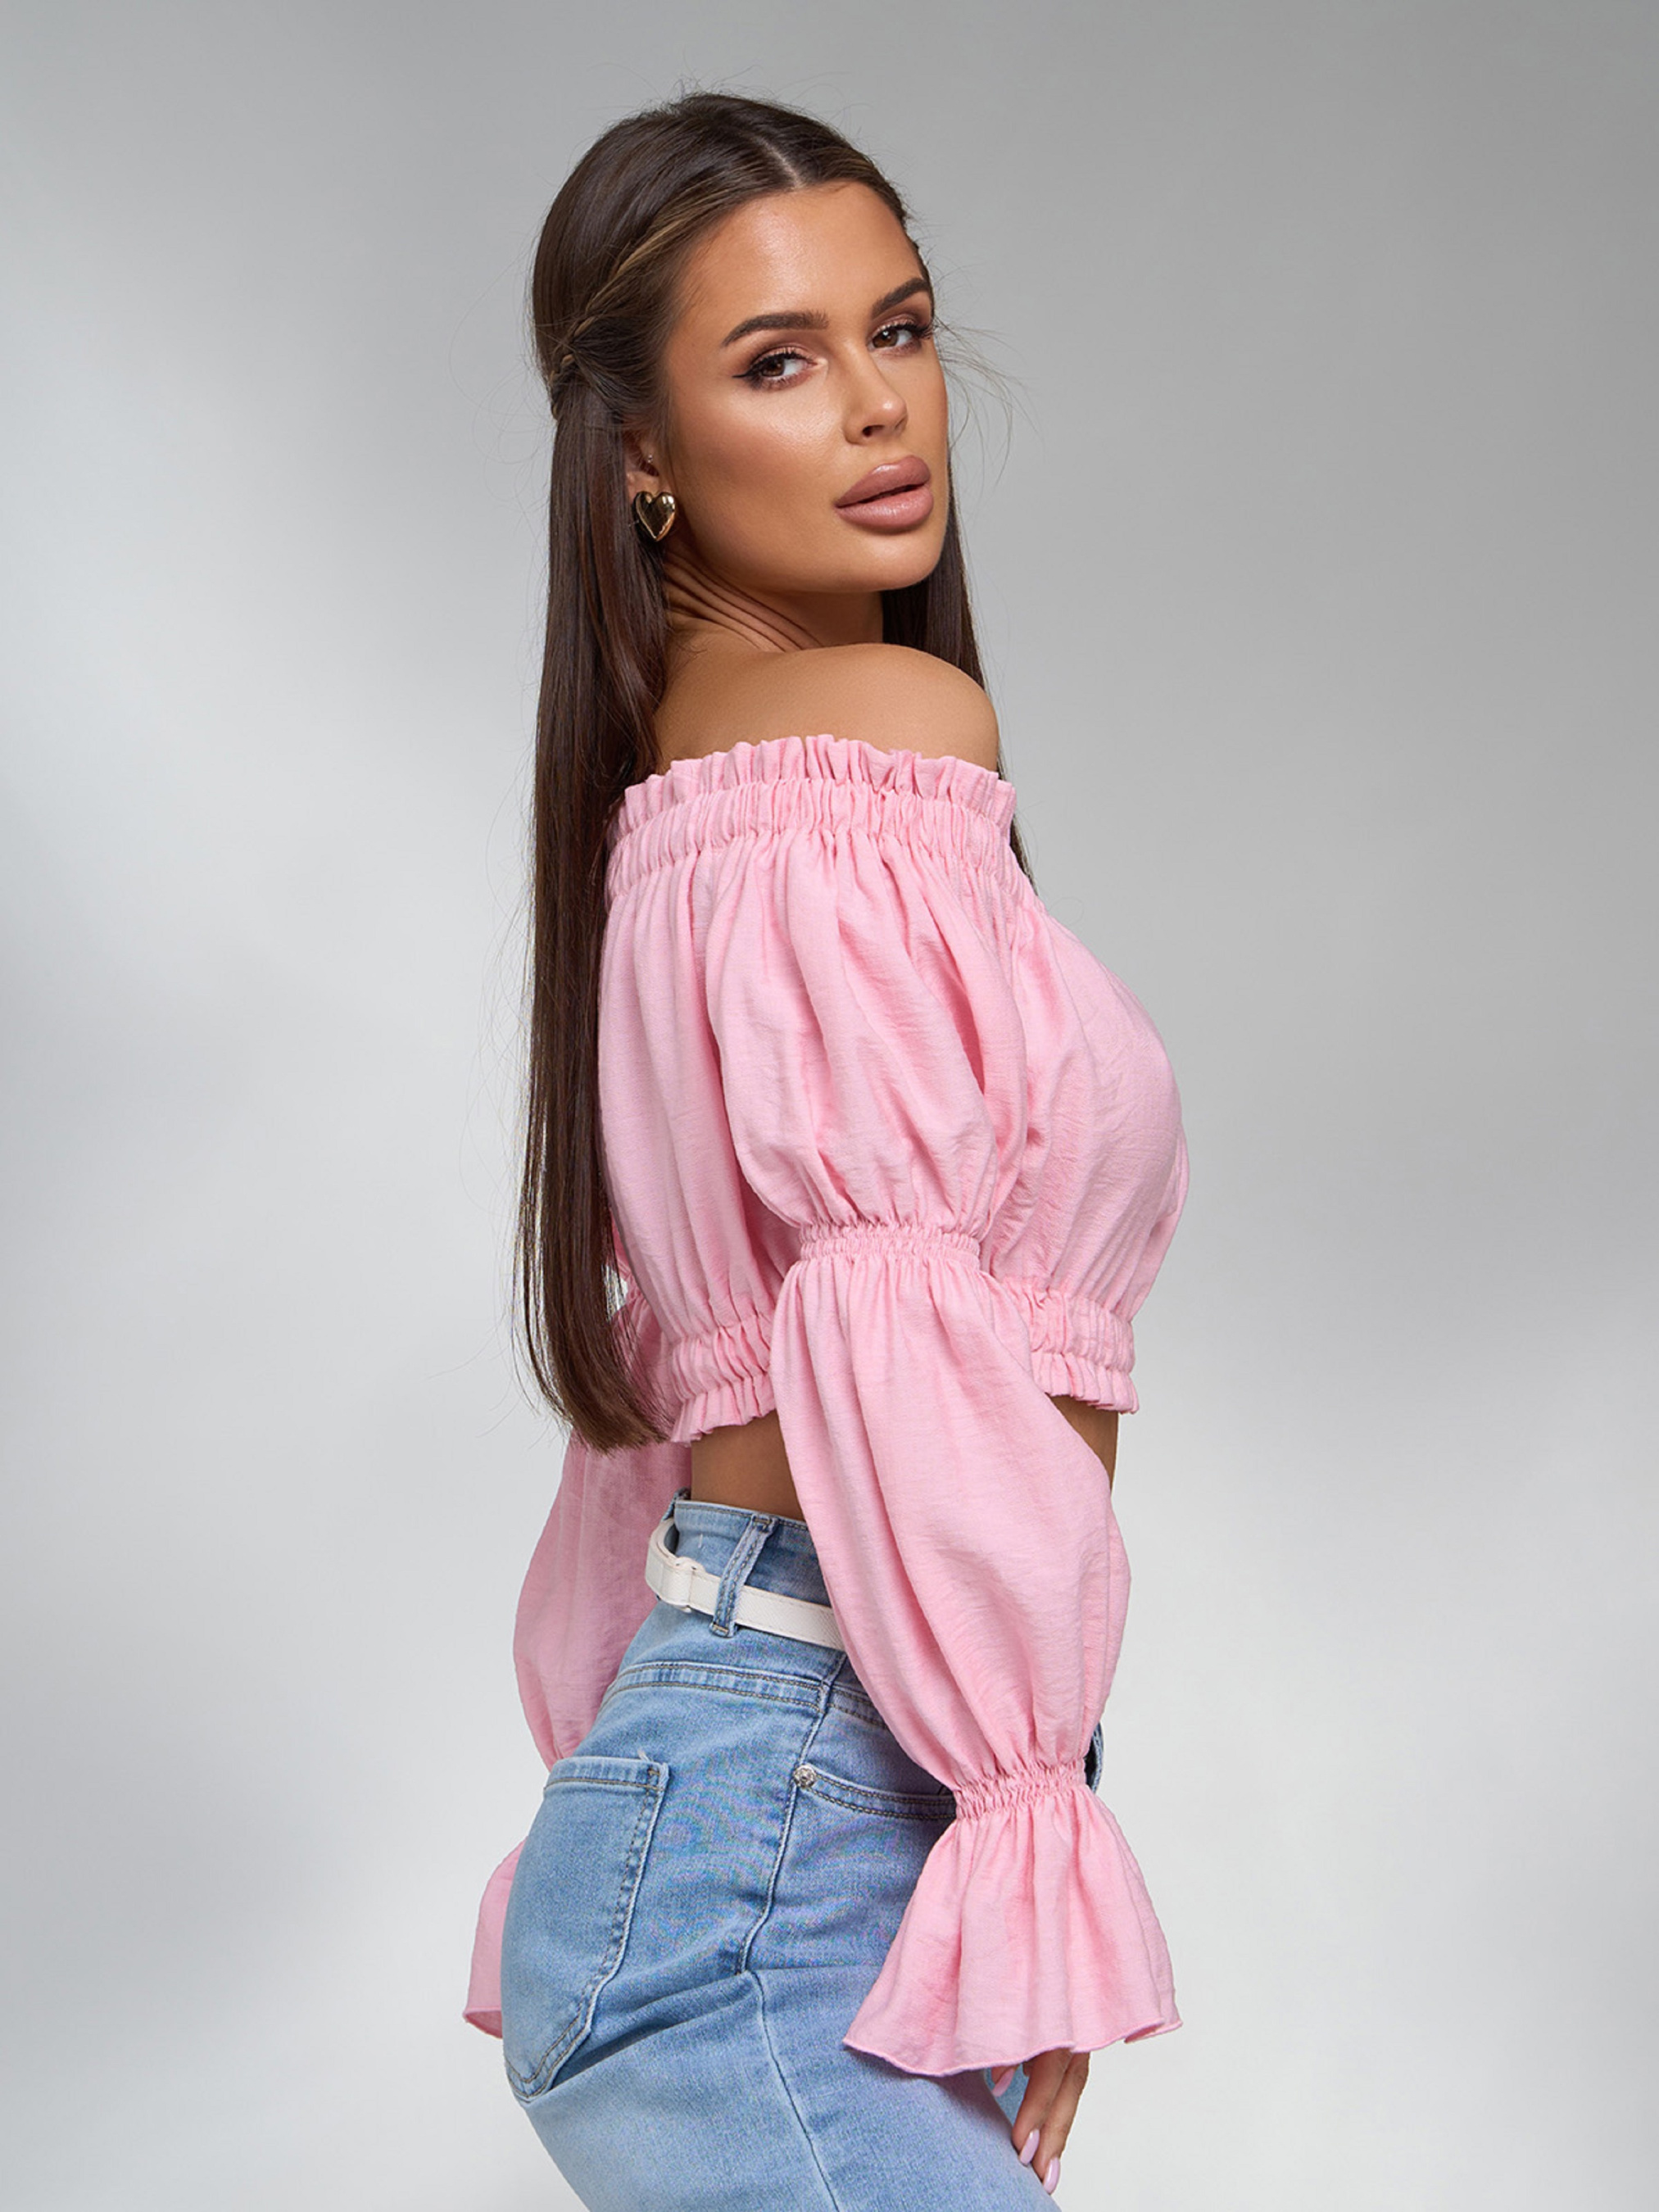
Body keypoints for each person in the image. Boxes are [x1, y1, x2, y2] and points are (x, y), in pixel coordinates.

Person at [464, 88, 1190, 2210]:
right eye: (779, 361)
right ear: (644, 456)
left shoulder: (687, 786)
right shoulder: (866, 739)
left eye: (902, 329)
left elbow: (700, 1375)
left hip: (740, 1820)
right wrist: (1021, 1801)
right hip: (788, 1843)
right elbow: (902, 1333)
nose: (881, 407)